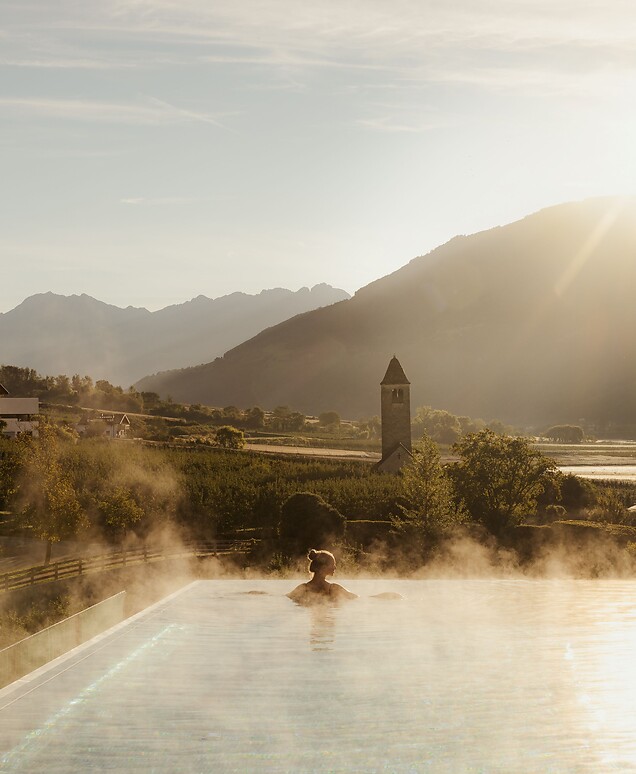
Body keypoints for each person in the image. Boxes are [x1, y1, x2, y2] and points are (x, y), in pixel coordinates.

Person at [287, 549, 358, 602]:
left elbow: (286, 598)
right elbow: (355, 598)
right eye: (333, 565)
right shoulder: (333, 588)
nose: (335, 567)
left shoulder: (303, 588)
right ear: (323, 567)